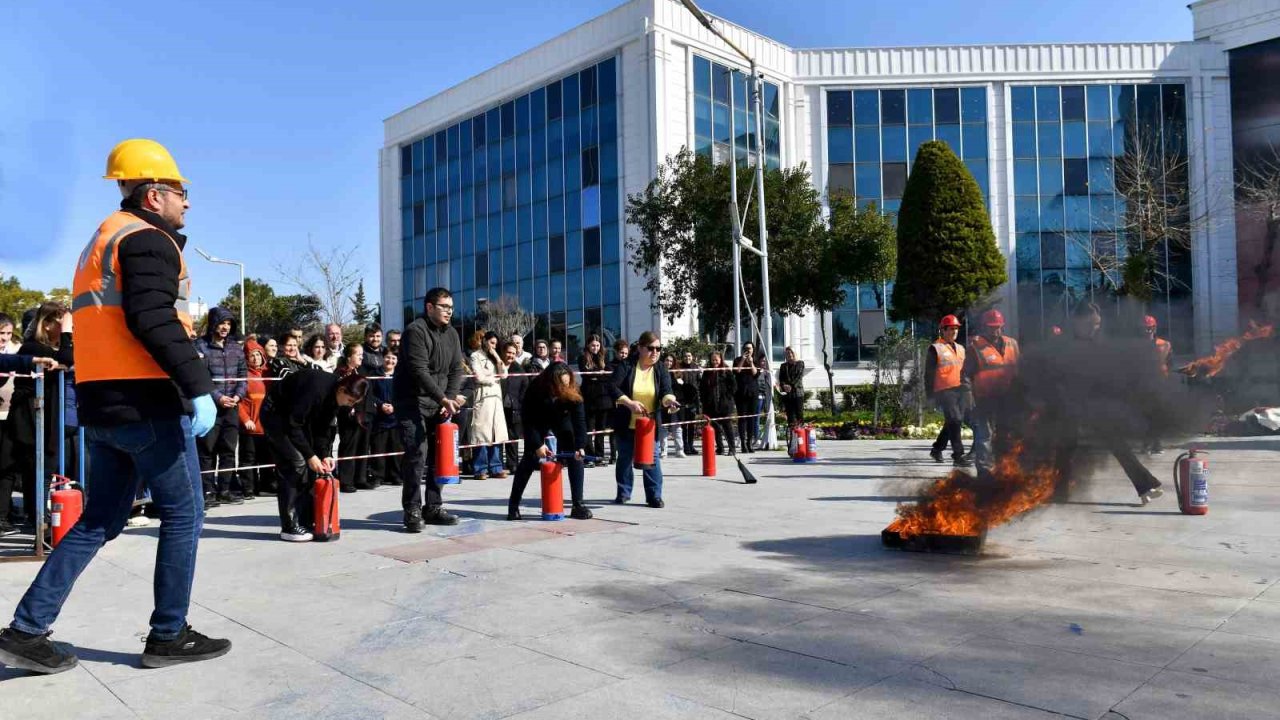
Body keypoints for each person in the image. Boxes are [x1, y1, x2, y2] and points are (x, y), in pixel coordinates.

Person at [0, 140, 229, 674]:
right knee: (185, 514)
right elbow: (153, 318)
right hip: (147, 403)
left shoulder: (101, 241)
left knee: (98, 519)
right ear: (153, 195)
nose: (187, 201)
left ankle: (27, 630)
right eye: (180, 191)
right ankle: (168, 634)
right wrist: (197, 385)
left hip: (102, 404)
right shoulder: (148, 240)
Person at [260, 368, 368, 541]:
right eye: (349, 400)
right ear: (341, 390)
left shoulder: (336, 398)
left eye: (354, 403)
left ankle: (305, 520)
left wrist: (324, 454)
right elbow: (293, 424)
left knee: (313, 470)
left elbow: (323, 429)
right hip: (277, 415)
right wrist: (310, 455)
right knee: (296, 464)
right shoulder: (315, 389)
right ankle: (289, 526)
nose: (350, 405)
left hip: (301, 420)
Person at [394, 287, 466, 531]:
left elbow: (456, 369)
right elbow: (419, 371)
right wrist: (443, 398)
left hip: (439, 403)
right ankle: (412, 509)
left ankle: (433, 506)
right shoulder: (415, 331)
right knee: (417, 454)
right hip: (411, 402)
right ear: (429, 307)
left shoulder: (452, 334)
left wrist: (450, 399)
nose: (449, 311)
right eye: (444, 307)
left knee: (440, 455)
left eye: (451, 307)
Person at [2, 303, 76, 532]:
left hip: (47, 411)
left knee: (40, 465)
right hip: (28, 412)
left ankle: (36, 517)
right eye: (62, 323)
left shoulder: (49, 349)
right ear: (47, 324)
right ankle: (32, 519)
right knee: (19, 465)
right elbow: (67, 358)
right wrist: (67, 332)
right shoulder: (32, 347)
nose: (67, 327)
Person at [506, 362, 593, 521]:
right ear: (552, 382)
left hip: (562, 417)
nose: (565, 387)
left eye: (567, 383)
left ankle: (578, 505)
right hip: (539, 419)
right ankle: (513, 506)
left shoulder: (573, 389)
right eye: (561, 384)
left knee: (575, 455)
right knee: (530, 458)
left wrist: (581, 446)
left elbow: (580, 421)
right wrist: (538, 444)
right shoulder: (535, 389)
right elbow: (528, 420)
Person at [609, 331, 679, 507]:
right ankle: (624, 492)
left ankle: (654, 495)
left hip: (649, 425)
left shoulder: (660, 368)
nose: (655, 352)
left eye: (658, 349)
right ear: (640, 348)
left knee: (652, 458)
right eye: (651, 348)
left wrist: (670, 401)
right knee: (624, 458)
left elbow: (666, 390)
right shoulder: (627, 365)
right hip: (626, 422)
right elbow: (612, 387)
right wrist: (629, 403)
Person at [195, 307, 246, 506]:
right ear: (213, 323)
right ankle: (207, 491)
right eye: (222, 323)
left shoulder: (236, 348)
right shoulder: (200, 346)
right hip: (210, 407)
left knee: (228, 450)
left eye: (228, 324)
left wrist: (237, 396)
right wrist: (218, 397)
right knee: (207, 450)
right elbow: (201, 377)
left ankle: (225, 489)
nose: (225, 327)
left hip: (232, 407)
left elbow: (243, 376)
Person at [962, 310, 1019, 473]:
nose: (995, 331)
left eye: (998, 327)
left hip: (1007, 399)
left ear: (1002, 326)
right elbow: (965, 375)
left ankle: (1004, 469)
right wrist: (968, 398)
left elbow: (1019, 370)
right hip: (984, 399)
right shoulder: (975, 348)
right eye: (991, 327)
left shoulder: (1012, 344)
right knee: (984, 437)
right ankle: (984, 472)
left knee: (1006, 435)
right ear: (984, 327)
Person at [927, 315, 971, 467]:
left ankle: (937, 449)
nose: (954, 332)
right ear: (943, 330)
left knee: (953, 421)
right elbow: (928, 374)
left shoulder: (961, 348)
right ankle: (958, 456)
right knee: (955, 420)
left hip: (961, 389)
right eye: (951, 329)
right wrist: (930, 396)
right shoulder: (935, 348)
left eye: (956, 329)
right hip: (944, 391)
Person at [468, 331, 509, 480]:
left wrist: (497, 357)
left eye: (495, 344)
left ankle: (496, 467)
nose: (493, 346)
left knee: (496, 433)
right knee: (482, 433)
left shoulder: (495, 357)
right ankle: (480, 469)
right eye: (491, 343)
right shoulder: (475, 356)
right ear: (484, 341)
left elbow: (504, 374)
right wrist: (493, 379)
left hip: (496, 399)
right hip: (483, 397)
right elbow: (479, 377)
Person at [238, 338, 274, 497]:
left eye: (258, 354)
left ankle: (266, 485)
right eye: (252, 355)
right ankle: (248, 488)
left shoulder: (268, 374)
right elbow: (238, 402)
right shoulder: (243, 376)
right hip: (250, 426)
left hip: (265, 426)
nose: (256, 358)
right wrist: (245, 419)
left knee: (266, 457)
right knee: (248, 458)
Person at [335, 344, 372, 492]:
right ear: (349, 357)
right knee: (349, 446)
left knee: (363, 446)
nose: (361, 357)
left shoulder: (363, 371)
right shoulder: (341, 372)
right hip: (348, 415)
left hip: (365, 413)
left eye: (362, 354)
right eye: (358, 354)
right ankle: (346, 480)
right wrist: (350, 409)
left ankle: (360, 478)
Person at [368, 352, 402, 486]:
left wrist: (395, 406)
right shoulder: (374, 374)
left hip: (396, 418)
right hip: (379, 418)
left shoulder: (400, 375)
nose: (390, 360)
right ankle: (378, 476)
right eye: (388, 357)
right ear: (382, 358)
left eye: (393, 358)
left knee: (396, 447)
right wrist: (381, 405)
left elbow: (403, 394)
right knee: (378, 448)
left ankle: (395, 475)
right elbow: (370, 394)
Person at [577, 334, 611, 465]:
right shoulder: (582, 358)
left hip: (603, 398)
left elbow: (609, 374)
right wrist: (599, 374)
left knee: (601, 430)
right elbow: (586, 376)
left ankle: (599, 456)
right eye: (593, 345)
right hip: (589, 398)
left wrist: (598, 375)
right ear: (588, 345)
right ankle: (589, 456)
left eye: (597, 345)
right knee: (589, 429)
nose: (595, 348)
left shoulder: (604, 357)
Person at [1142, 314, 1172, 455]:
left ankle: (1156, 444)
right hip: (1142, 384)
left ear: (1154, 328)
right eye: (1145, 329)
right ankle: (1146, 444)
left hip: (1159, 383)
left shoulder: (1164, 344)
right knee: (1144, 415)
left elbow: (1170, 363)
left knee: (1158, 414)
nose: (1148, 331)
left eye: (1150, 328)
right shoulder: (1136, 345)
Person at [700, 351, 738, 455]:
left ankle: (732, 448)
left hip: (724, 405)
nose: (714, 362)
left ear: (720, 359)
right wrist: (704, 401)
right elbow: (702, 388)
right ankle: (720, 448)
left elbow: (734, 386)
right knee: (715, 427)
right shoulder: (707, 372)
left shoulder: (726, 370)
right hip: (711, 405)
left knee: (727, 427)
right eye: (713, 360)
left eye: (716, 359)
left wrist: (727, 396)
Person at [500, 341, 529, 471]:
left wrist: (519, 406)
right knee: (497, 437)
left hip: (513, 409)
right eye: (508, 352)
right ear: (503, 352)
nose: (510, 355)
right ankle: (497, 465)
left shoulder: (519, 370)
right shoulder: (496, 366)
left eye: (513, 353)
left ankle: (512, 464)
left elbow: (524, 389)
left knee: (512, 437)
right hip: (498, 408)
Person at [604, 339, 629, 463]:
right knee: (614, 430)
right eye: (621, 353)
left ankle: (626, 452)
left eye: (626, 353)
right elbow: (610, 385)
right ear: (616, 352)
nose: (624, 355)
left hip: (627, 400)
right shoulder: (610, 366)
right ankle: (613, 455)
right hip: (614, 400)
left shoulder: (629, 365)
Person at [733, 342, 761, 453]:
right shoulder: (737, 360)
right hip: (741, 393)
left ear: (753, 349)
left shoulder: (756, 360)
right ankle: (743, 443)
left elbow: (755, 374)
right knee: (742, 418)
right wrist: (743, 360)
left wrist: (751, 363)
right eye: (745, 348)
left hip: (752, 393)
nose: (747, 350)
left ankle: (749, 442)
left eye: (749, 348)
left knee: (751, 418)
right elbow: (736, 371)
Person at [658, 354, 686, 458]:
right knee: (663, 428)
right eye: (667, 360)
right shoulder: (659, 373)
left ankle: (679, 450)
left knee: (677, 428)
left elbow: (681, 390)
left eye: (671, 361)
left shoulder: (677, 374)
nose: (669, 363)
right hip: (663, 404)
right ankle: (663, 451)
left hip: (676, 404)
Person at [676, 352, 702, 455]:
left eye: (689, 356)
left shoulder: (695, 367)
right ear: (683, 358)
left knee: (691, 425)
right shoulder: (679, 367)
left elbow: (699, 382)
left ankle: (691, 446)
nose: (687, 358)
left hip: (693, 400)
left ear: (692, 357)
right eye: (685, 356)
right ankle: (685, 446)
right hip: (682, 400)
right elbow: (677, 380)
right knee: (683, 425)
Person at [778, 346, 806, 427]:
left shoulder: (800, 363)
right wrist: (784, 386)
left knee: (799, 414)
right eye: (787, 353)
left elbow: (798, 378)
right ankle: (792, 432)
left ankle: (800, 432)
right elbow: (781, 378)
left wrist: (790, 386)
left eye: (791, 352)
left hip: (798, 393)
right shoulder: (783, 366)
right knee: (790, 415)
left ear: (794, 353)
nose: (789, 354)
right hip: (787, 394)